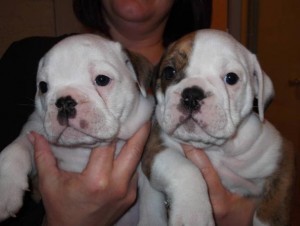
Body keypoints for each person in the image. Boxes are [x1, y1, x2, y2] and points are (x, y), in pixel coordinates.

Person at [0, 0, 257, 225]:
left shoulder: (228, 93)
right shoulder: (25, 59)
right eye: (45, 87)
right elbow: (29, 139)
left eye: (101, 80)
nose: (65, 104)